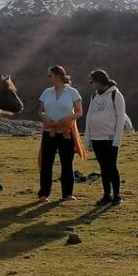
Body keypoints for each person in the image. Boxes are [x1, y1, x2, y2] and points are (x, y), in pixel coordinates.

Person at [37, 65, 86, 202]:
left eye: (50, 75)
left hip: (66, 132)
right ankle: (44, 193)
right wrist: (44, 117)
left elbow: (79, 112)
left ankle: (67, 193)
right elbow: (40, 110)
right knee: (46, 163)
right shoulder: (47, 92)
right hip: (49, 132)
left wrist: (68, 118)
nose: (49, 78)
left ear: (58, 76)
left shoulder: (72, 92)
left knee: (66, 163)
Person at [84, 69, 126, 206]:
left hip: (109, 138)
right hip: (96, 138)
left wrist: (117, 140)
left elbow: (120, 119)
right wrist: (88, 137)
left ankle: (117, 195)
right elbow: (89, 117)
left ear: (99, 81)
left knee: (111, 167)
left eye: (92, 81)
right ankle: (106, 195)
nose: (90, 84)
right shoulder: (94, 96)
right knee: (103, 167)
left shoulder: (115, 95)